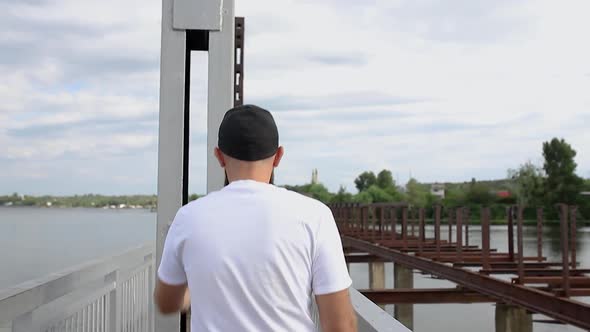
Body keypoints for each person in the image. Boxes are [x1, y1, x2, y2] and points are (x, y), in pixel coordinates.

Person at [154, 104, 357, 331]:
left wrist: (199, 285)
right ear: (278, 156)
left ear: (219, 156)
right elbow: (341, 324)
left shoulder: (189, 218)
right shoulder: (315, 215)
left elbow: (167, 302)